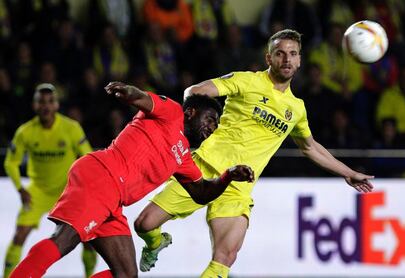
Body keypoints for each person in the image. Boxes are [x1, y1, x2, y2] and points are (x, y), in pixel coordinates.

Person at [134, 29, 374, 278]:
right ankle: (155, 242)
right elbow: (194, 92)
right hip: (202, 170)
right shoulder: (247, 80)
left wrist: (349, 173)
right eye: (280, 54)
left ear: (300, 60)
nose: (287, 60)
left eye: (293, 54)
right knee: (144, 224)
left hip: (238, 186)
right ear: (268, 58)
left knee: (224, 259)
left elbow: (310, 147)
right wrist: (206, 123)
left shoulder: (296, 109)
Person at [10, 82, 254, 278]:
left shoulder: (183, 157)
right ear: (191, 112)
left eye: (216, 124)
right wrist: (130, 93)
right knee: (64, 240)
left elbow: (201, 192)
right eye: (210, 119)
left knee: (125, 274)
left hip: (113, 198)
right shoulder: (172, 113)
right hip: (102, 176)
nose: (213, 127)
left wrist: (227, 176)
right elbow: (145, 100)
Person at [3, 83, 97, 278]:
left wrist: (85, 187)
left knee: (88, 236)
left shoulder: (71, 128)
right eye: (41, 102)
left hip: (68, 191)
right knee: (19, 235)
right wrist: (20, 189)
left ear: (56, 105)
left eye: (50, 101)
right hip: (38, 191)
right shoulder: (25, 132)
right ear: (34, 105)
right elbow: (10, 163)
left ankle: (89, 275)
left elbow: (88, 156)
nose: (45, 106)